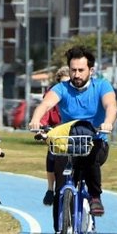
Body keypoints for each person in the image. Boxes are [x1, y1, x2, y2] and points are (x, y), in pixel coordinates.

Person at [29, 46, 117, 234]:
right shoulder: (62, 88)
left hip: (95, 140)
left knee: (90, 155)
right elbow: (47, 103)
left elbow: (111, 105)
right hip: (68, 143)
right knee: (61, 190)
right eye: (73, 70)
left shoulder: (102, 86)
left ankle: (95, 197)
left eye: (81, 70)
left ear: (91, 70)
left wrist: (107, 122)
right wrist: (35, 119)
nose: (76, 75)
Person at [39, 65, 70, 206]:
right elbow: (44, 113)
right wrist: (41, 128)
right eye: (63, 82)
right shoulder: (52, 96)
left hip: (76, 136)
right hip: (57, 137)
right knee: (52, 153)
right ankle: (50, 189)